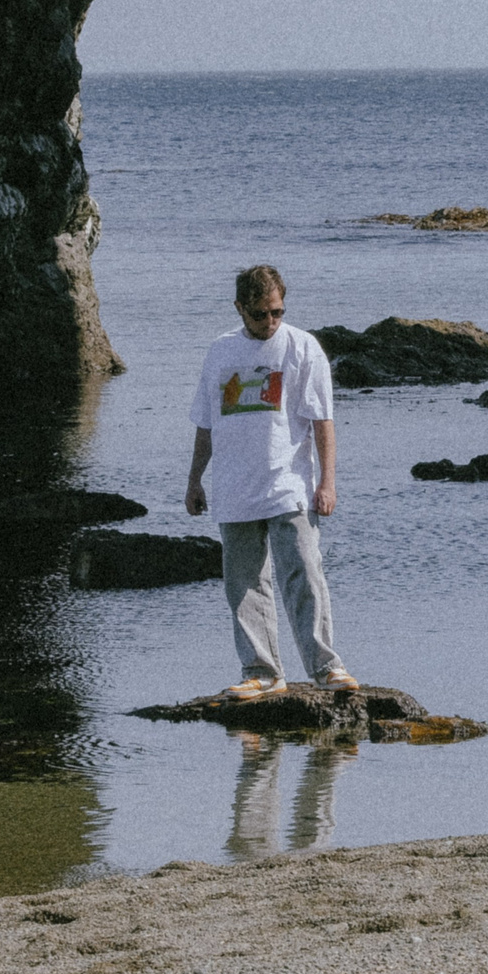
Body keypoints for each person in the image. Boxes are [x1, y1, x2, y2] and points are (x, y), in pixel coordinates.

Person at [185, 263, 354, 698]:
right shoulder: (221, 352)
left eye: (277, 312)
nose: (270, 322)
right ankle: (262, 672)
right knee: (243, 584)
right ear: (240, 308)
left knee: (304, 574)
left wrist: (328, 483)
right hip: (233, 487)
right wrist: (194, 481)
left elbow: (323, 421)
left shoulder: (303, 348)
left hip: (289, 487)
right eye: (260, 314)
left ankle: (326, 667)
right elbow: (206, 424)